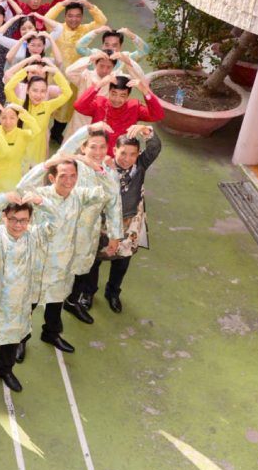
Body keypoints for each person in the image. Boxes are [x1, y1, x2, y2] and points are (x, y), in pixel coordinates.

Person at [15, 155, 112, 359]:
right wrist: (46, 164)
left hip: (62, 263)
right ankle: (19, 340)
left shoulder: (79, 195)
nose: (68, 181)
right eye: (62, 176)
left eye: (73, 176)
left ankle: (51, 333)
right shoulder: (40, 195)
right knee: (29, 304)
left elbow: (107, 193)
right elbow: (21, 187)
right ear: (52, 178)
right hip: (38, 263)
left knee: (56, 302)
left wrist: (98, 168)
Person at [0, 192, 55, 393]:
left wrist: (42, 202)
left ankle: (4, 370)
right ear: (4, 217)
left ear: (29, 220)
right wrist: (1, 199)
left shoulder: (34, 236)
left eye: (23, 220)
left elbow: (57, 222)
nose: (18, 225)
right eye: (13, 219)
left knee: (12, 340)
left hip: (19, 300)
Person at [77, 125, 161, 313]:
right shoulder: (103, 167)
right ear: (114, 150)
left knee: (122, 260)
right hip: (102, 223)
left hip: (129, 224)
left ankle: (113, 292)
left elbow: (155, 148)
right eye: (123, 153)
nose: (127, 159)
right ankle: (88, 292)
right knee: (94, 259)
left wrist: (147, 132)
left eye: (133, 154)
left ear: (139, 154)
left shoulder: (140, 166)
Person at [55, 125, 124, 324]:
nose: (98, 152)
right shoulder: (72, 165)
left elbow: (113, 204)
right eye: (93, 147)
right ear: (83, 147)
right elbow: (63, 151)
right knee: (55, 273)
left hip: (89, 231)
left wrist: (114, 234)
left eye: (103, 147)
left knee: (82, 269)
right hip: (63, 229)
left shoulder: (108, 174)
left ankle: (72, 301)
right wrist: (87, 129)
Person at [43, 0, 109, 143]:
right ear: (65, 16)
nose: (74, 19)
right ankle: (42, 132)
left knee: (67, 107)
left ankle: (56, 133)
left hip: (75, 77)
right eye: (70, 16)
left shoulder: (85, 30)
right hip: (54, 74)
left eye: (78, 16)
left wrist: (90, 5)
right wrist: (61, 4)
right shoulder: (57, 28)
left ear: (82, 17)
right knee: (46, 103)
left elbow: (102, 21)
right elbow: (47, 18)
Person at [72, 74, 164, 154]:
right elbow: (79, 106)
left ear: (128, 96)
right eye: (114, 94)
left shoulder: (134, 108)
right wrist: (99, 85)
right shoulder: (99, 104)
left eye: (122, 95)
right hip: (96, 154)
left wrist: (145, 91)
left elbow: (157, 115)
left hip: (121, 159)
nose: (116, 99)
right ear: (109, 92)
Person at [5, 63, 73, 166]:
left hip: (38, 152)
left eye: (43, 91)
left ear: (46, 93)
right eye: (35, 90)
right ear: (27, 91)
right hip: (20, 151)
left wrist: (55, 72)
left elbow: (68, 93)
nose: (38, 95)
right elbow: (8, 88)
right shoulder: (19, 104)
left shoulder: (48, 106)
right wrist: (25, 70)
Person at [76, 26, 150, 63]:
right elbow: (79, 47)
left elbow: (145, 51)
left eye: (114, 45)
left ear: (120, 47)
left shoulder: (125, 58)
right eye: (107, 45)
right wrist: (96, 31)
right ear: (102, 45)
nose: (109, 48)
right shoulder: (94, 55)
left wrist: (131, 35)